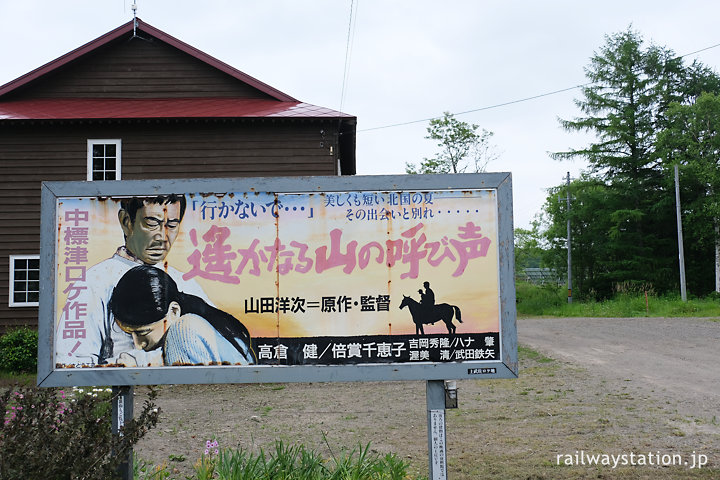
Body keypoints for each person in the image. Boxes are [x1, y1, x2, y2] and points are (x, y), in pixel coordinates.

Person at [55, 194, 211, 367]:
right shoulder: (92, 283)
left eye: (172, 225)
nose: (162, 237)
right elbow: (72, 362)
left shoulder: (185, 283)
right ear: (126, 222)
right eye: (152, 223)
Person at [109, 265, 256, 365]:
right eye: (130, 334)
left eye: (143, 333)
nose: (138, 345)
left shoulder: (184, 329)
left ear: (173, 312)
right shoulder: (199, 326)